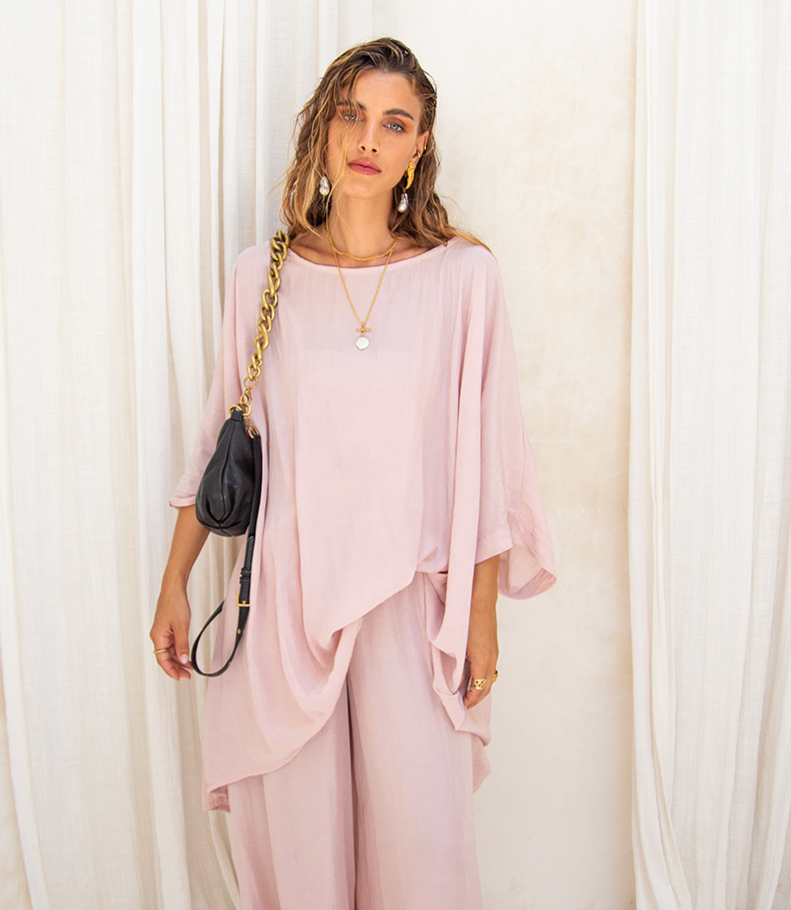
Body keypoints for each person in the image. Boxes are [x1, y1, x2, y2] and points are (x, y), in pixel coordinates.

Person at [150, 37, 555, 910]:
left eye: (394, 123)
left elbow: (491, 459)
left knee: (425, 853)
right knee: (303, 861)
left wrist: (482, 617)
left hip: (412, 607)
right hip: (286, 607)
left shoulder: (463, 278)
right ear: (324, 128)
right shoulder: (262, 277)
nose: (369, 138)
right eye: (352, 114)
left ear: (419, 145)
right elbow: (222, 437)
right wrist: (174, 582)